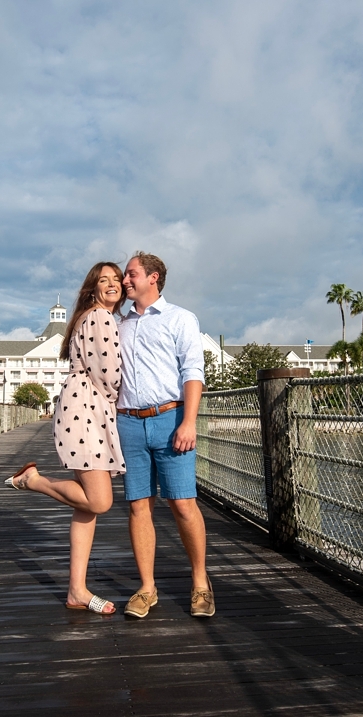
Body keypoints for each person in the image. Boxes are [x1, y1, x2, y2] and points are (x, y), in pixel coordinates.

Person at [5, 262, 126, 615]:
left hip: (83, 411)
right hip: (87, 412)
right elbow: (108, 373)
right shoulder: (101, 318)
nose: (112, 284)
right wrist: (124, 401)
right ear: (92, 289)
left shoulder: (88, 318)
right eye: (104, 280)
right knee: (100, 502)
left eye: (117, 280)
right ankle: (33, 480)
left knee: (86, 506)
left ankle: (76, 590)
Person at [116, 251, 212, 619]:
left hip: (170, 419)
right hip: (128, 422)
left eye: (131, 274)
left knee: (182, 504)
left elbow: (193, 371)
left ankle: (201, 583)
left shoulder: (180, 318)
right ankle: (146, 588)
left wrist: (189, 422)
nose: (126, 280)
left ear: (153, 277)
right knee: (138, 505)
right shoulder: (118, 323)